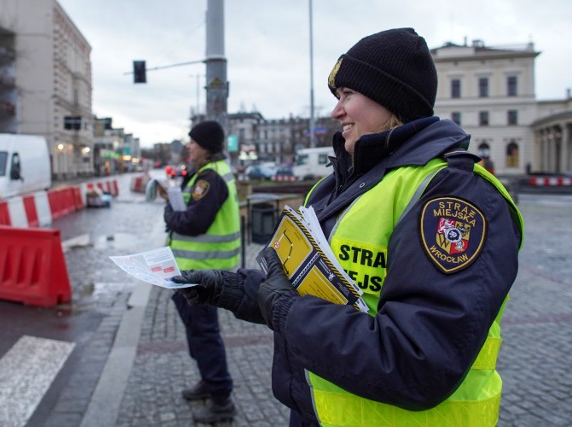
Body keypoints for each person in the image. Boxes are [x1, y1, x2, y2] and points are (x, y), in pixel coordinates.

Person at [172, 28, 524, 426]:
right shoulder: (333, 189)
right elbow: (306, 291)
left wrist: (286, 311)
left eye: (347, 96)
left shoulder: (453, 194)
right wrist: (232, 288)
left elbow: (418, 362)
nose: (336, 112)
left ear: (390, 99)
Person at [160, 120, 240, 424]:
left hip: (203, 274)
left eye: (193, 142)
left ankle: (221, 400)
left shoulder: (211, 177)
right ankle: (209, 380)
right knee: (198, 332)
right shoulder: (209, 173)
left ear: (205, 146)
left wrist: (170, 213)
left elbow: (195, 222)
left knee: (204, 334)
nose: (189, 146)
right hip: (196, 270)